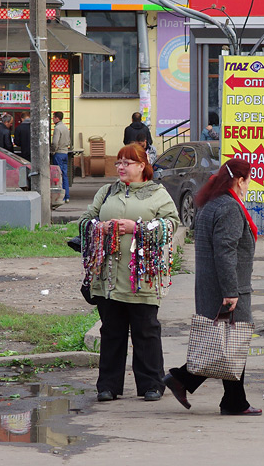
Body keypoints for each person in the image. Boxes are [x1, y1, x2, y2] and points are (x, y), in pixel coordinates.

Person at [79, 144, 180, 402]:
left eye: (128, 162)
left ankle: (151, 384)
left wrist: (138, 227)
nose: (121, 167)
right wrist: (98, 226)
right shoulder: (107, 192)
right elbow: (85, 220)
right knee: (111, 331)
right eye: (119, 162)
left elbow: (172, 223)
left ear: (142, 166)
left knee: (145, 330)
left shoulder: (157, 193)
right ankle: (108, 386)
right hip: (109, 278)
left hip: (143, 277)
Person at [163, 158, 261, 416]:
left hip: (210, 286)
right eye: (248, 179)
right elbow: (225, 252)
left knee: (223, 344)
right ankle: (191, 382)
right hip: (227, 287)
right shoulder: (229, 207)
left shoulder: (211, 204)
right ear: (239, 181)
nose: (249, 185)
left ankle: (223, 396)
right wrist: (232, 291)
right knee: (232, 343)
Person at [51, 111, 71, 202]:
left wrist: (53, 151)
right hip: (65, 153)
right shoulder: (66, 128)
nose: (52, 119)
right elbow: (69, 141)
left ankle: (60, 196)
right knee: (65, 175)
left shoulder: (57, 129)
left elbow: (55, 142)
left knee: (58, 175)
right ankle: (67, 196)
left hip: (58, 153)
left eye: (53, 117)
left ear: (57, 118)